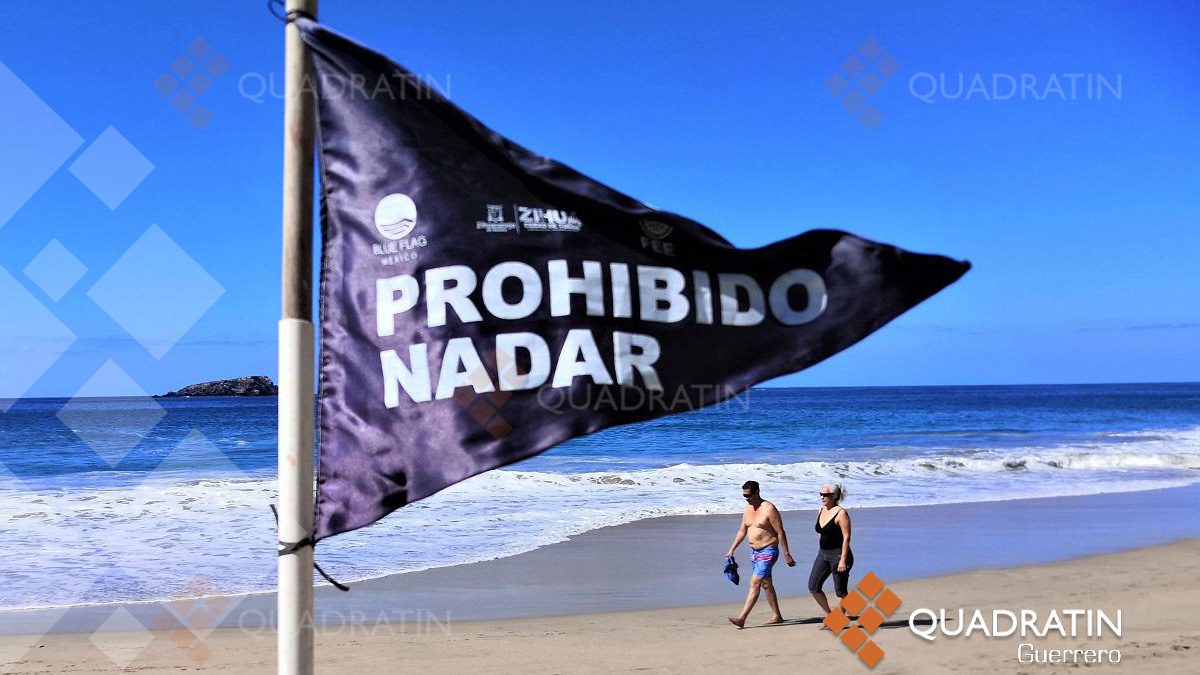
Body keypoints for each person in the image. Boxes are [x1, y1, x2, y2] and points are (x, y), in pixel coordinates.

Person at [725, 481, 795, 628]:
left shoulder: (769, 508)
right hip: (754, 552)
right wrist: (732, 549)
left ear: (757, 492)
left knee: (755, 581)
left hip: (768, 550)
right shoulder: (748, 508)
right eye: (744, 496)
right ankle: (777, 616)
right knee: (766, 584)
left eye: (749, 495)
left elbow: (780, 532)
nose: (747, 498)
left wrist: (786, 554)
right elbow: (742, 530)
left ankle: (742, 618)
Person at [809, 482, 853, 628]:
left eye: (825, 495)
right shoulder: (821, 510)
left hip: (839, 555)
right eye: (821, 494)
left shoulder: (841, 513)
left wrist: (843, 560)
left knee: (840, 591)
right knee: (813, 586)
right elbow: (821, 533)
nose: (822, 497)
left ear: (834, 496)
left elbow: (846, 537)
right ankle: (831, 617)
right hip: (823, 554)